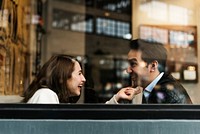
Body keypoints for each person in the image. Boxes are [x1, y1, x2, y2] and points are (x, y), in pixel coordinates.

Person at [106, 39, 192, 104]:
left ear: (153, 66)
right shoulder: (155, 88)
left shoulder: (165, 93)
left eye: (133, 64)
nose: (127, 70)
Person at [21, 54, 86, 103]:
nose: (83, 79)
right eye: (79, 73)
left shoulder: (49, 95)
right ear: (62, 77)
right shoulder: (46, 95)